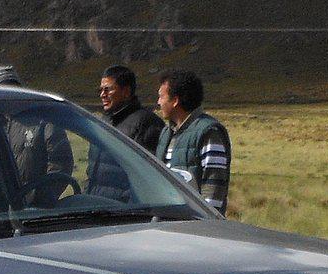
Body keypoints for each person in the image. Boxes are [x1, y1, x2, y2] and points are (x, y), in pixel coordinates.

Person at [155, 70, 232, 214]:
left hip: (196, 225)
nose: (158, 102)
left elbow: (213, 183)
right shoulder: (166, 133)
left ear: (175, 101)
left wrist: (207, 220)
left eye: (161, 97)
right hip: (168, 219)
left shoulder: (209, 132)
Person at [0, 65, 74, 191]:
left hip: (35, 207)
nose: (7, 94)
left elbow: (61, 162)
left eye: (11, 88)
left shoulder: (43, 121)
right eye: (1, 90)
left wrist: (44, 196)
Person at [87, 64, 164, 201]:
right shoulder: (102, 122)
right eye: (101, 90)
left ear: (126, 92)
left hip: (124, 212)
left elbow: (148, 175)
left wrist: (128, 207)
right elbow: (93, 172)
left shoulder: (146, 123)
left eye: (108, 90)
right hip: (96, 206)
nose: (102, 95)